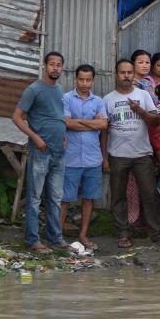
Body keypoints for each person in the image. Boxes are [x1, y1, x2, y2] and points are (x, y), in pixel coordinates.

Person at [104, 59, 160, 248]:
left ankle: (155, 232)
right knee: (118, 195)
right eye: (122, 72)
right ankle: (123, 232)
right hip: (117, 154)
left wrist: (139, 110)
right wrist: (104, 157)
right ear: (116, 74)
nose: (126, 76)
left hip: (142, 154)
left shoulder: (144, 95)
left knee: (149, 193)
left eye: (129, 72)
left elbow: (156, 121)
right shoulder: (108, 99)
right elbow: (104, 130)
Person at [13, 52, 70, 253]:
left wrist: (63, 133)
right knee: (35, 197)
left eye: (59, 65)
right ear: (45, 66)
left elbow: (57, 114)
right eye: (52, 64)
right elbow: (17, 117)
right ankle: (32, 240)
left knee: (55, 197)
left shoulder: (59, 89)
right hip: (41, 151)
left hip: (58, 152)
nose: (55, 68)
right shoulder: (34, 89)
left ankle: (56, 239)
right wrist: (35, 137)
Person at [60, 64, 108, 252]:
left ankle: (83, 235)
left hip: (92, 159)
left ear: (93, 80)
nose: (85, 83)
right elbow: (66, 123)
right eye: (81, 79)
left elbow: (104, 125)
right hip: (70, 158)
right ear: (75, 79)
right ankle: (58, 238)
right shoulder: (66, 98)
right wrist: (93, 124)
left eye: (88, 79)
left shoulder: (98, 101)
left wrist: (79, 122)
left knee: (89, 199)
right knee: (65, 199)